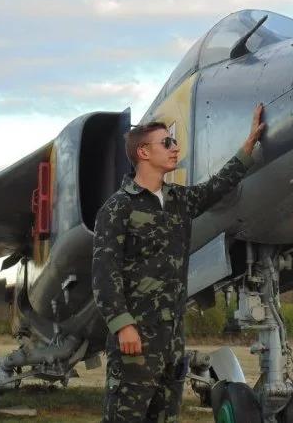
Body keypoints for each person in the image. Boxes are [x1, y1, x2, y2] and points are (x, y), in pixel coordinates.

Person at [91, 103, 266, 422]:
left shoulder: (178, 201)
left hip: (172, 339)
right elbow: (104, 274)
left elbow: (217, 187)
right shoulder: (117, 209)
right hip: (135, 339)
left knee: (166, 417)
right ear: (143, 152)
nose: (175, 148)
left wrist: (249, 145)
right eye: (167, 143)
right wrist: (122, 324)